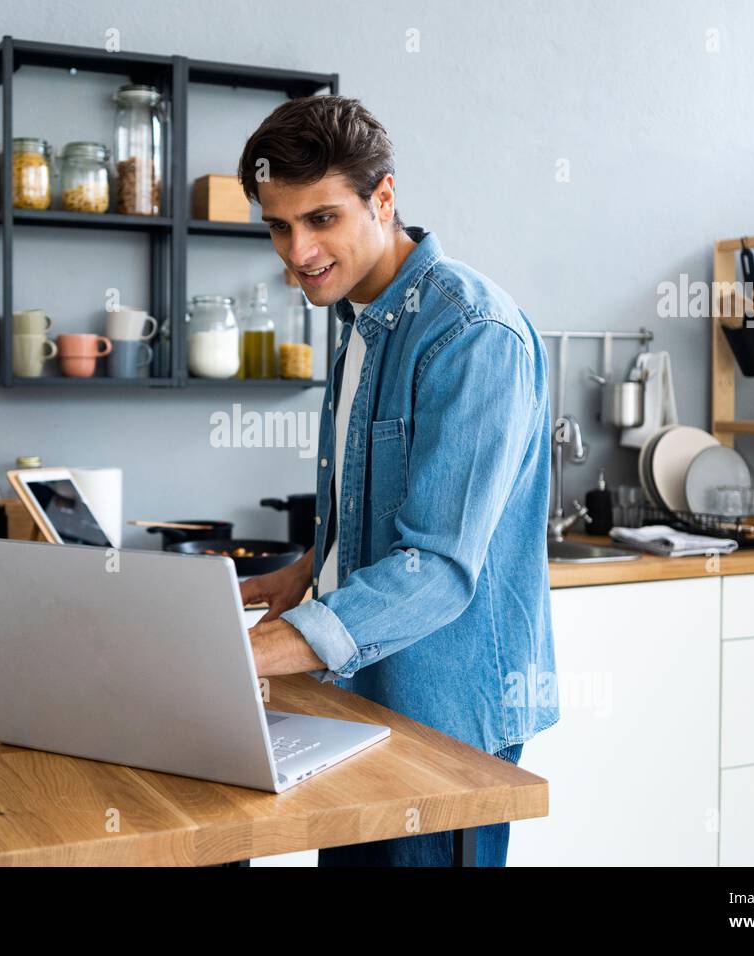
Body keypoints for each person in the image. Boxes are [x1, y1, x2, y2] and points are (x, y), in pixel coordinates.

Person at [236, 95, 558, 867]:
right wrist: (307, 573)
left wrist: (247, 656)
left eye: (321, 219)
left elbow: (439, 567)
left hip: (442, 716)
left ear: (384, 198)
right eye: (278, 225)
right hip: (358, 703)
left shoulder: (470, 333)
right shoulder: (358, 321)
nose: (297, 251)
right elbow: (379, 500)